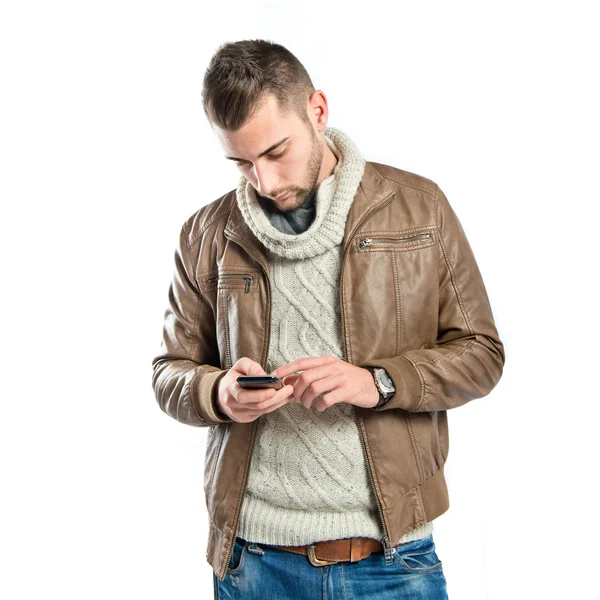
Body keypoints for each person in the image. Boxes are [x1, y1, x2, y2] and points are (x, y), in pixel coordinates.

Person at [151, 39, 505, 599]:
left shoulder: (419, 207)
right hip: (253, 566)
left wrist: (375, 382)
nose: (264, 182)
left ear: (317, 110)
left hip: (391, 562)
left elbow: (481, 354)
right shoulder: (205, 235)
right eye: (241, 162)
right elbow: (169, 373)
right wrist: (219, 391)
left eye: (275, 152)